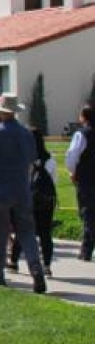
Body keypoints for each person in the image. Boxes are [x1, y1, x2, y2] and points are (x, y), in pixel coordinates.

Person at [0, 93, 46, 293]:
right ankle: (37, 271)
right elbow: (30, 162)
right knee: (26, 232)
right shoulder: (26, 134)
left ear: (1, 112)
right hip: (20, 188)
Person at [11, 128, 58, 275]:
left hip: (27, 197)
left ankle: (14, 261)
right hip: (46, 200)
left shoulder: (23, 157)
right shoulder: (50, 159)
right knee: (45, 233)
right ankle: (47, 265)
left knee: (22, 230)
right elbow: (54, 180)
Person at [66, 105, 95, 261]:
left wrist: (72, 171)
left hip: (86, 178)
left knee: (87, 213)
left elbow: (72, 156)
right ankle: (86, 250)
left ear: (84, 117)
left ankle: (87, 249)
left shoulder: (81, 134)